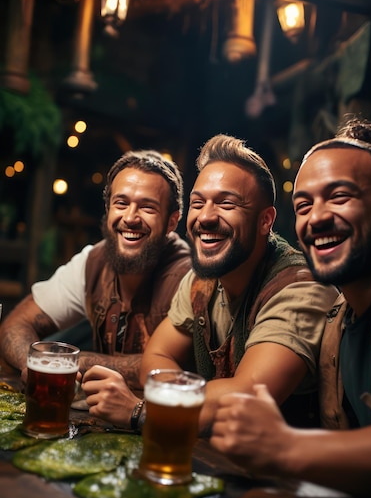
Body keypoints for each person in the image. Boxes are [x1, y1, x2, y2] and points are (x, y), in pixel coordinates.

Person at [209, 118, 371, 498]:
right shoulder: (335, 321)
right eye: (303, 205)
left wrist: (284, 447)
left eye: (339, 197)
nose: (315, 217)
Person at [82, 134, 338, 434]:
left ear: (265, 221)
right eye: (198, 203)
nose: (205, 217)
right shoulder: (201, 280)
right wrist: (181, 402)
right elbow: (156, 356)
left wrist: (142, 410)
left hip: (286, 476)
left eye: (226, 203)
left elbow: (246, 397)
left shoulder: (299, 287)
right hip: (218, 458)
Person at [0, 149, 191, 396]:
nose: (130, 217)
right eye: (121, 203)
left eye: (147, 207)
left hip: (158, 422)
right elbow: (16, 323)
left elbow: (166, 370)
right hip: (98, 422)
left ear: (171, 222)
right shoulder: (92, 261)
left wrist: (67, 362)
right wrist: (34, 365)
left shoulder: (189, 277)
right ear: (108, 208)